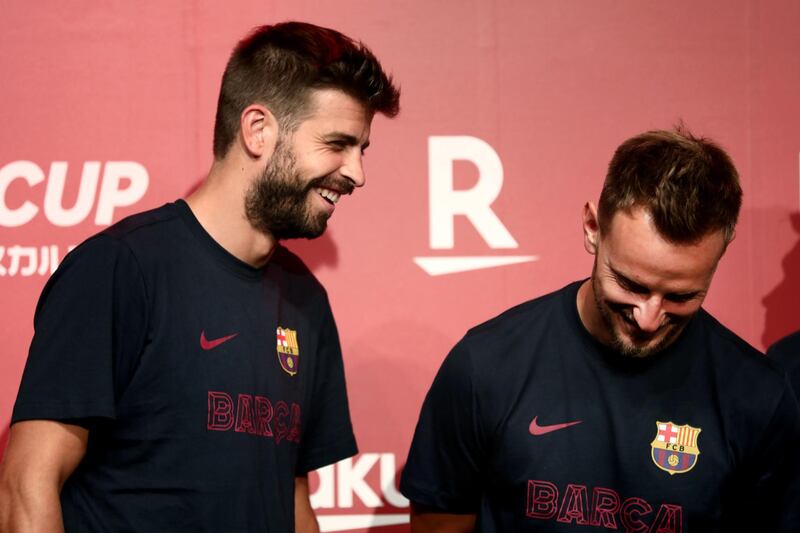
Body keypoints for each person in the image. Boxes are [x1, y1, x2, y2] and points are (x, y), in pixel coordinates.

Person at [0, 21, 399, 532]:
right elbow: (26, 486)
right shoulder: (121, 268)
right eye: (338, 144)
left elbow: (292, 498)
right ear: (258, 130)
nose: (357, 172)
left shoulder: (306, 299)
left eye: (362, 149)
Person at [400, 127, 800, 531]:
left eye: (681, 296)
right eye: (630, 284)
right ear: (593, 228)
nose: (649, 317)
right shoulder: (485, 366)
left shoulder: (759, 398)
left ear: (721, 254)